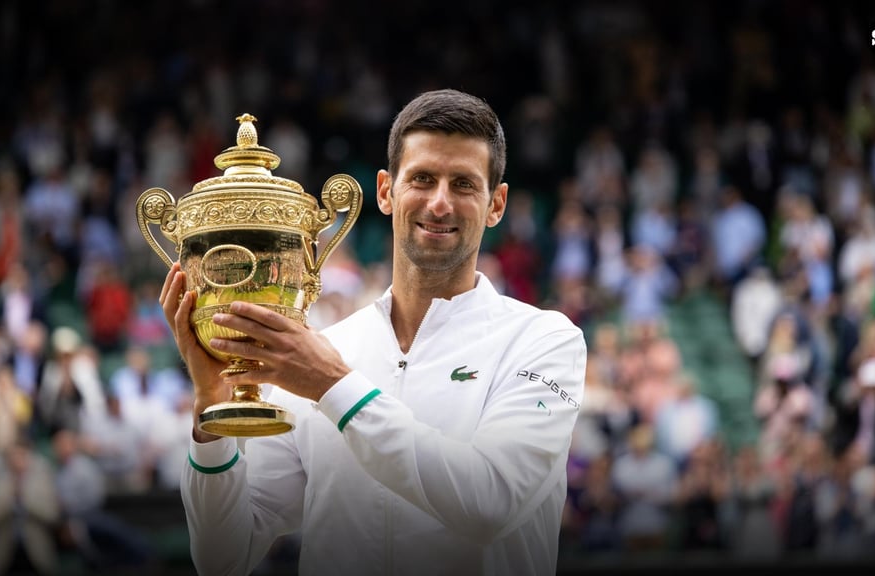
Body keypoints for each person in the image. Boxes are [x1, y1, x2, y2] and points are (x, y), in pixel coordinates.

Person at [160, 89, 588, 576]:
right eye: (422, 179)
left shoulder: (544, 341)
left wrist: (333, 386)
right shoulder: (321, 352)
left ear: (496, 204)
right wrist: (210, 405)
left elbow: (489, 502)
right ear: (386, 191)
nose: (441, 203)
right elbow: (223, 557)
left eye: (464, 184)